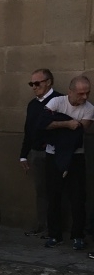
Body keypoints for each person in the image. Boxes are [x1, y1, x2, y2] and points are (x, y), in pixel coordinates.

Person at [42, 75, 94, 251]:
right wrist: (67, 123)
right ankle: (54, 235)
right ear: (70, 91)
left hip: (76, 156)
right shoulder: (56, 102)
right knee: (53, 196)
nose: (85, 97)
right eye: (81, 93)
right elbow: (43, 124)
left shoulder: (89, 108)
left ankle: (78, 235)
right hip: (53, 155)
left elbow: (79, 132)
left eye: (87, 93)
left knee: (78, 197)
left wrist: (57, 124)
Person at [20, 68, 61, 237]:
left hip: (54, 153)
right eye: (31, 84)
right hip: (37, 153)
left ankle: (54, 229)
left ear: (48, 82)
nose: (34, 87)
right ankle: (42, 225)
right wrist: (23, 155)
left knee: (55, 191)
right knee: (41, 191)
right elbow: (28, 131)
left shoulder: (59, 100)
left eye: (37, 83)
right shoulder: (32, 104)